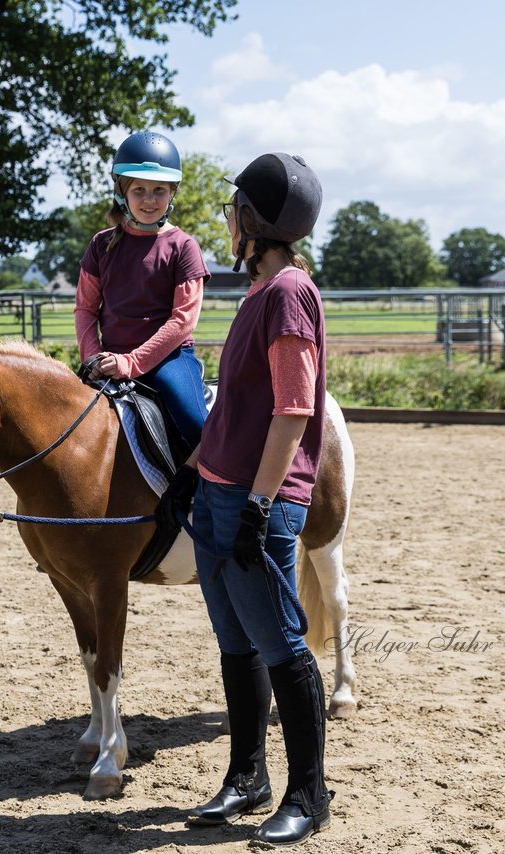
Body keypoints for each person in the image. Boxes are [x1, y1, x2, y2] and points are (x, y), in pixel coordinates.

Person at [159, 152, 334, 845]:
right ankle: (247, 776)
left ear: (255, 224)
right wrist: (193, 469)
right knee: (238, 645)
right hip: (218, 495)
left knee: (283, 644)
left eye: (233, 210)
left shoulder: (289, 292)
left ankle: (311, 795)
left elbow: (293, 410)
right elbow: (237, 409)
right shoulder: (259, 295)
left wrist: (260, 506)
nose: (227, 220)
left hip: (258, 504)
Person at [75, 130, 209, 451]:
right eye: (140, 190)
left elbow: (182, 322)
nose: (149, 200)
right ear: (123, 192)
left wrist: (131, 363)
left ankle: (202, 498)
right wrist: (92, 356)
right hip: (109, 359)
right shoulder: (100, 244)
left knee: (198, 426)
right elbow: (85, 310)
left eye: (159, 191)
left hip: (169, 360)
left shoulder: (184, 247)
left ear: (172, 194)